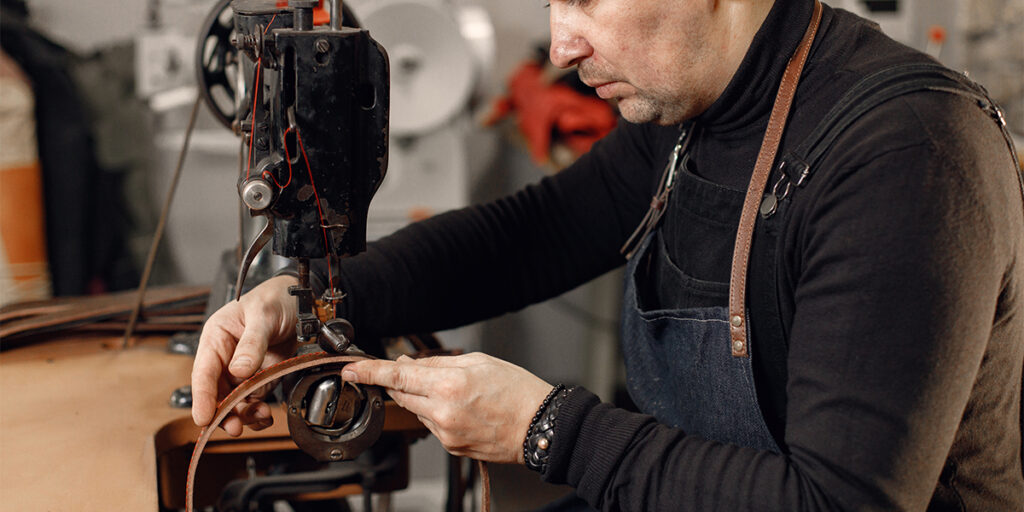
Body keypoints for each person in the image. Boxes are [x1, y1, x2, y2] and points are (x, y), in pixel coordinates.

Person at [192, 0, 1024, 509]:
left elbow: (841, 504)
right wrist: (315, 301)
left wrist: (546, 429)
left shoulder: (904, 155)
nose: (560, 46)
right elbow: (532, 234)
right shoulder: (693, 110)